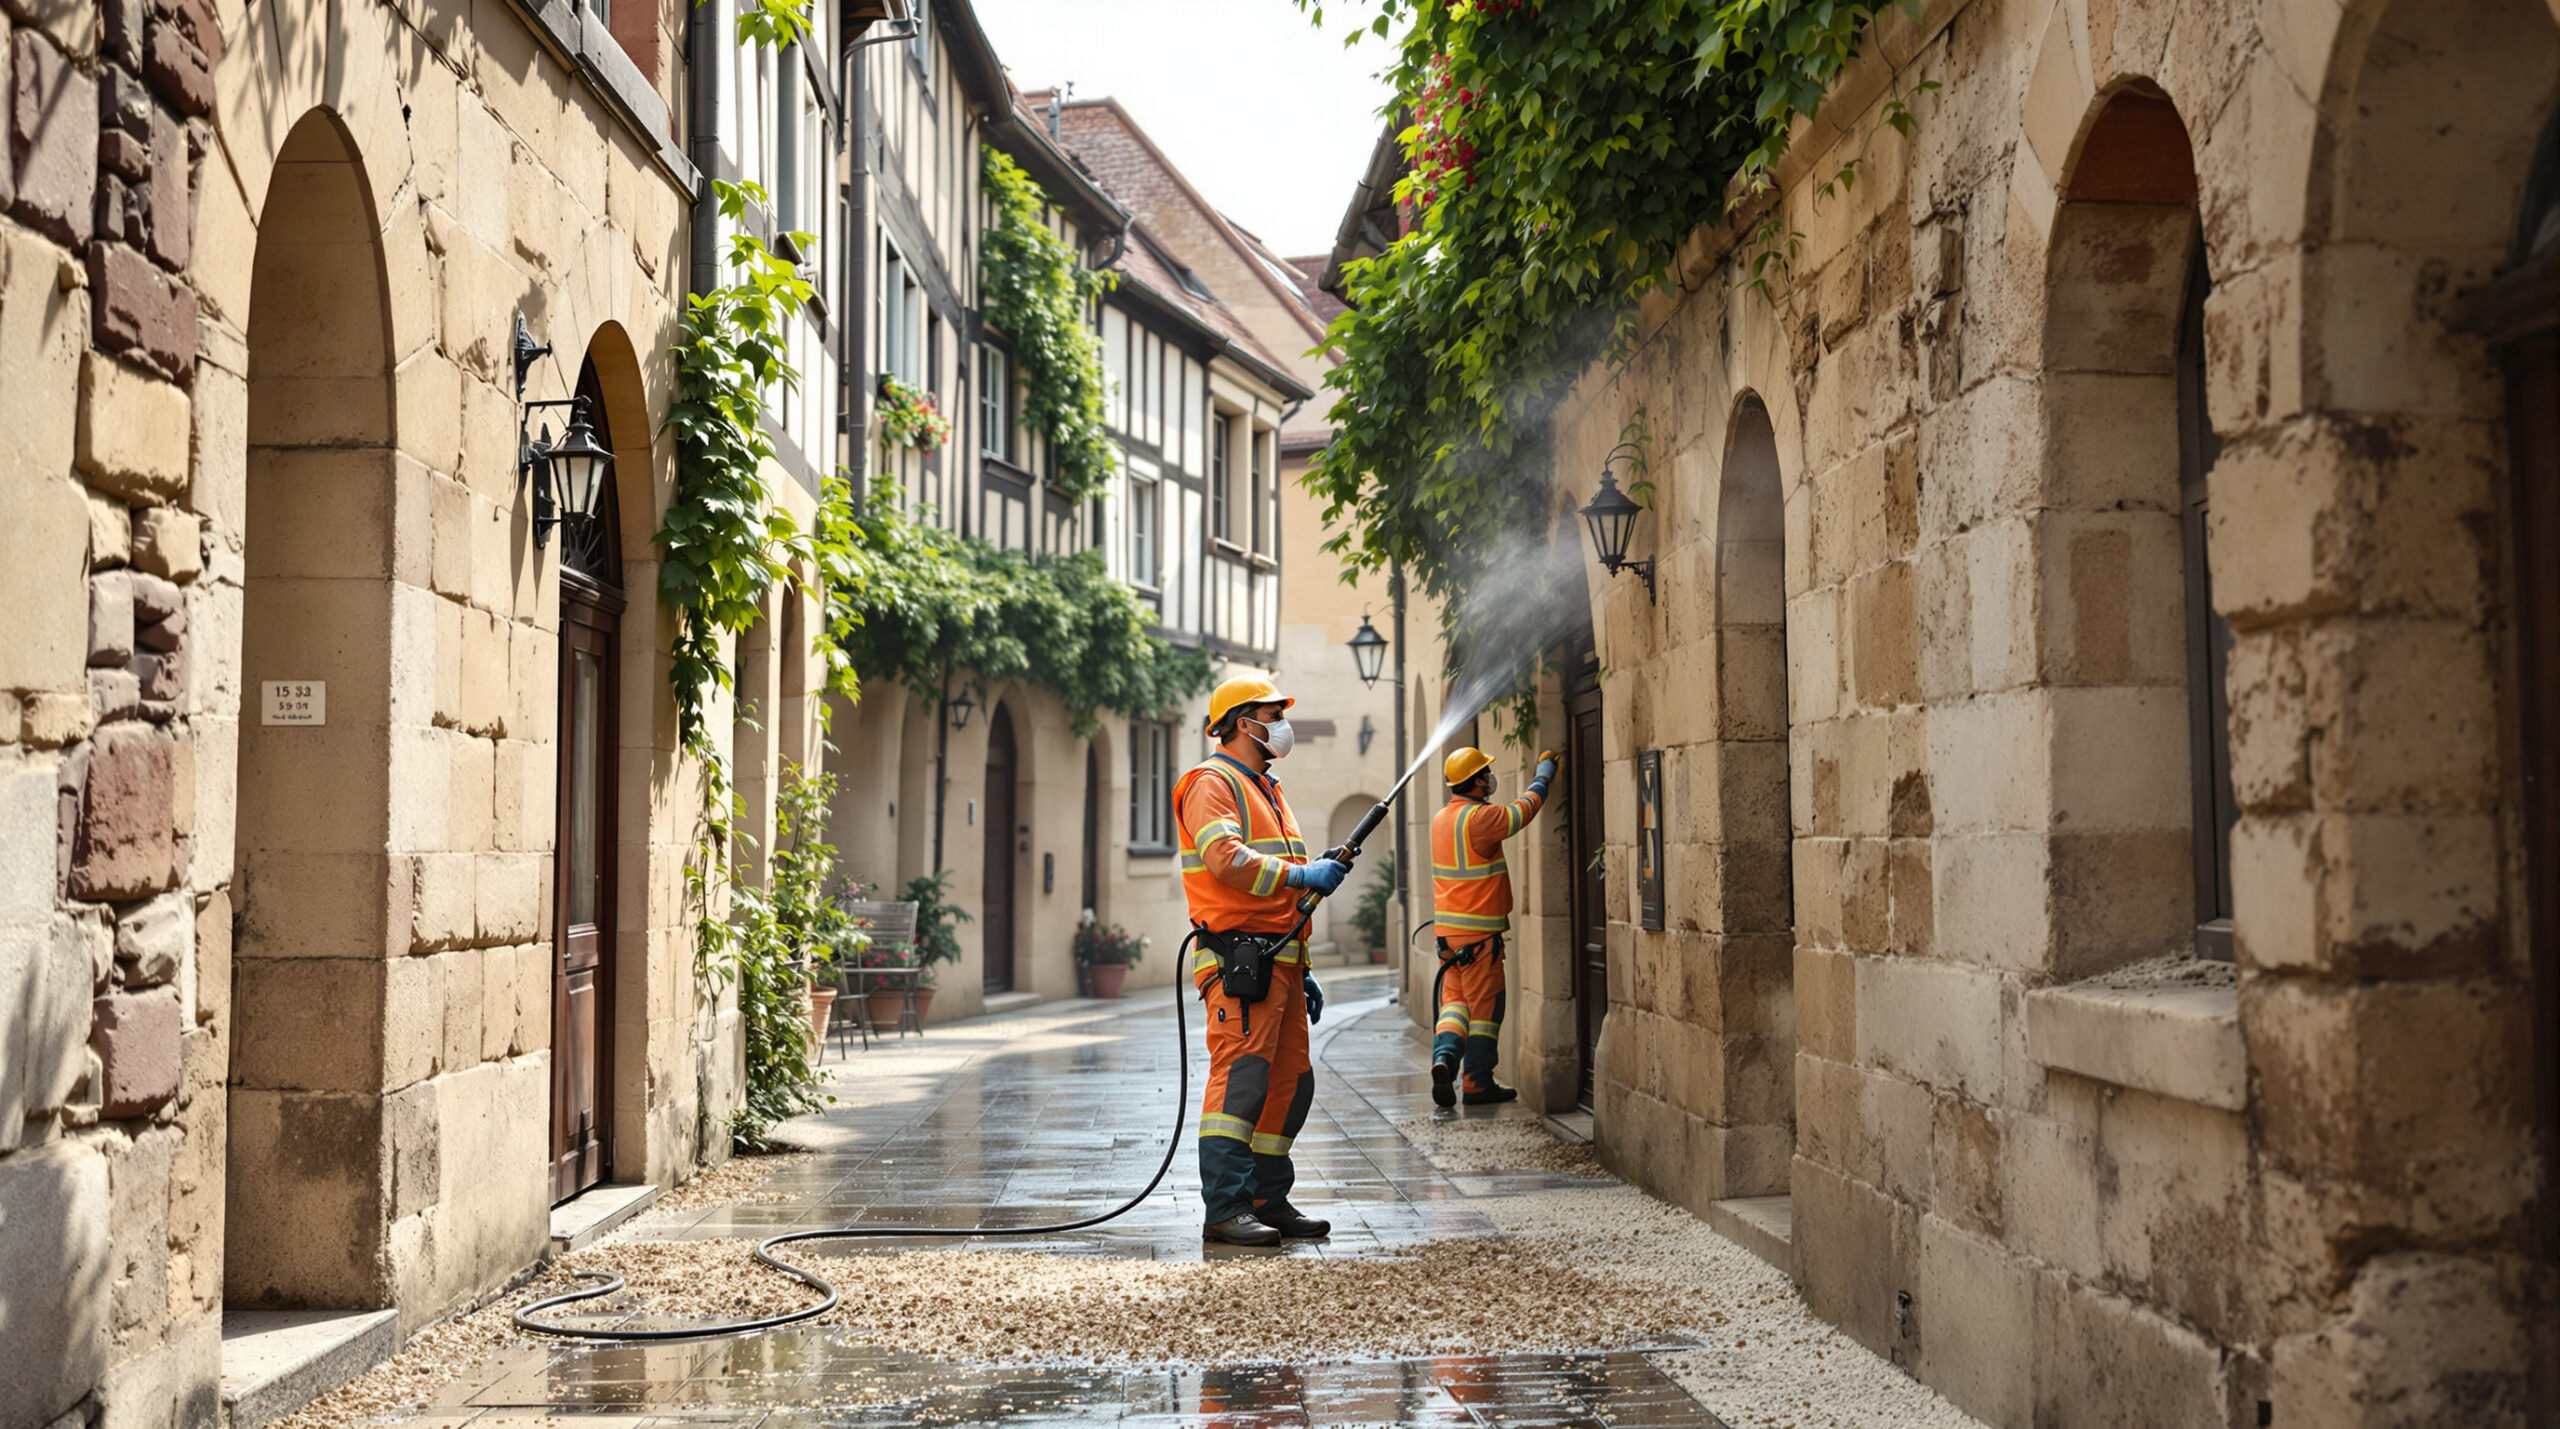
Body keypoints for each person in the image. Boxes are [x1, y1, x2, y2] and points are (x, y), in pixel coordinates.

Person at [1174, 675, 1347, 1246]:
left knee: (1290, 1084)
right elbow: (1226, 860)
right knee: (1240, 1085)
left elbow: (1276, 893)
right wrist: (1303, 873)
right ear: (1242, 722)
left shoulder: (1266, 788)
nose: (1281, 724)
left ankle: (1268, 1199)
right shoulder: (1211, 782)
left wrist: (1307, 967)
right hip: (1238, 963)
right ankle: (1225, 1209)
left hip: (1282, 962)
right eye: (1272, 714)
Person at [1427, 745, 1559, 1107]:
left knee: (1454, 1004)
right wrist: (1543, 776)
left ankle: (1445, 1058)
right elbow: (1521, 812)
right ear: (1477, 781)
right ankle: (1477, 1083)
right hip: (1480, 936)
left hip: (1448, 936)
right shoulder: (1480, 819)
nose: (1490, 779)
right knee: (1485, 1011)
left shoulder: (1442, 819)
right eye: (1485, 773)